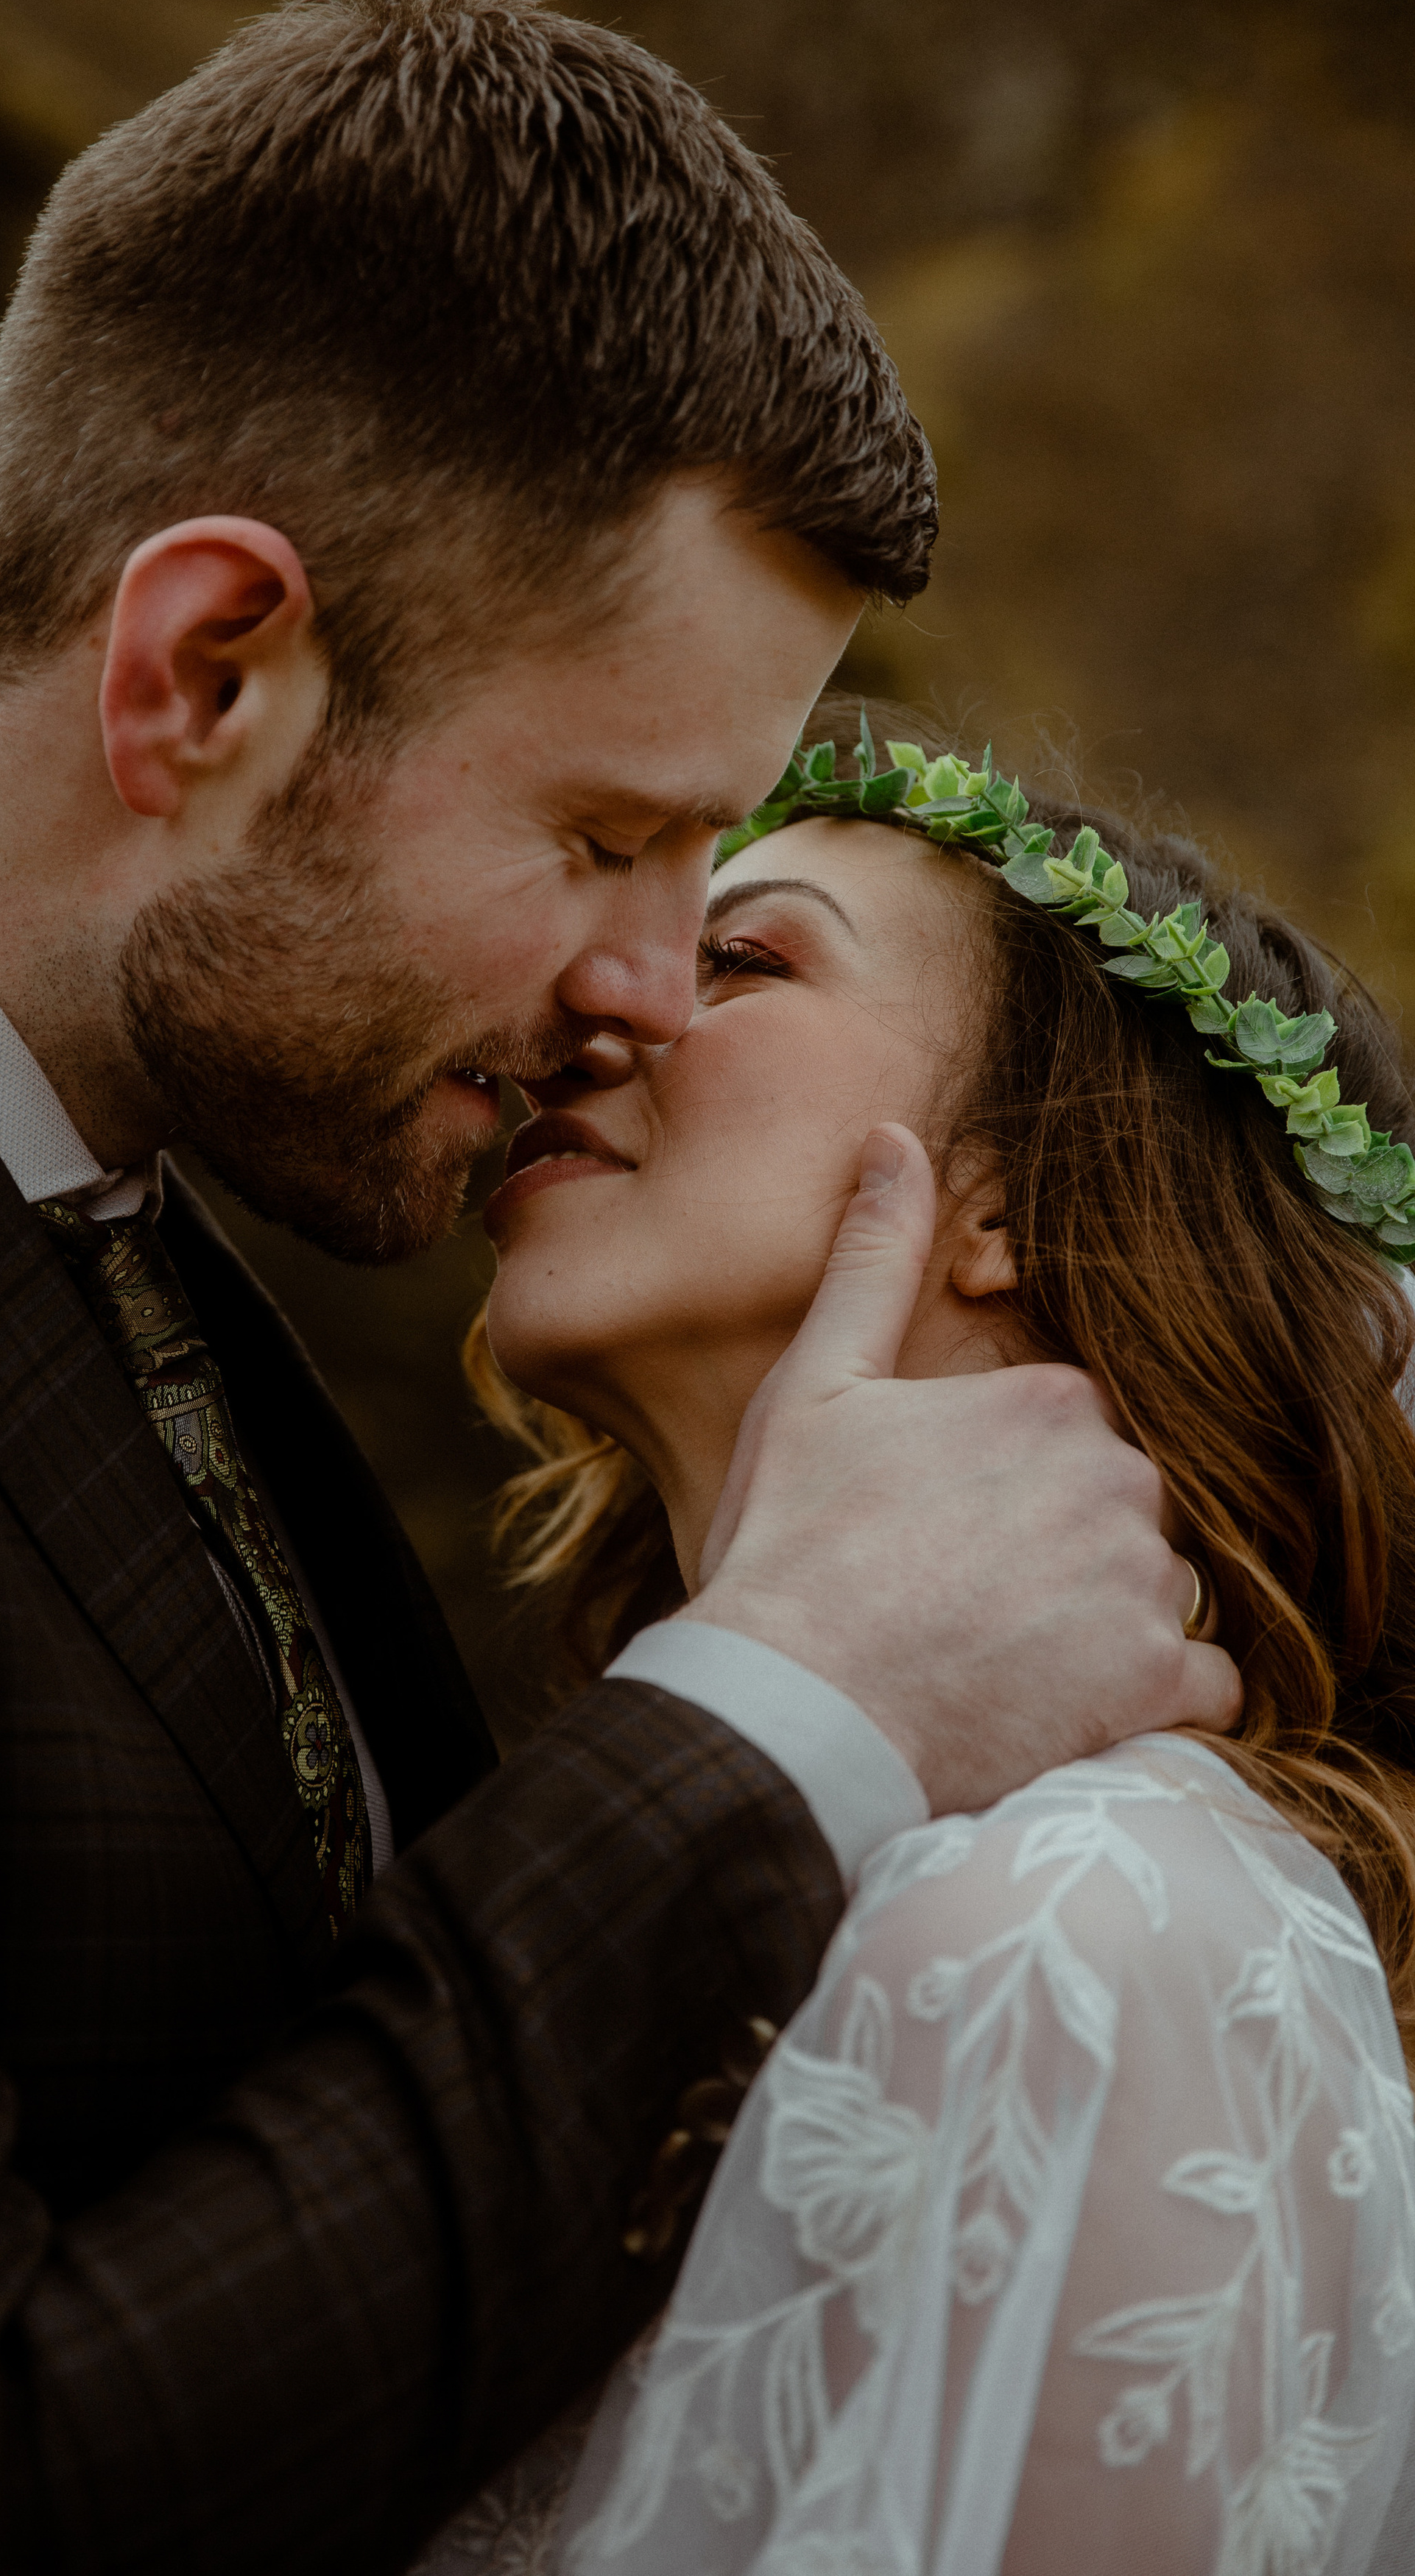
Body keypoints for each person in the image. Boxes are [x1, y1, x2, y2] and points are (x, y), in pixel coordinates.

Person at [0, 0, 1232, 2576]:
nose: (654, 980)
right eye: (602, 835)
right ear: (209, 669)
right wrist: (797, 1718)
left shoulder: (94, 1213)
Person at [427, 707, 1415, 2573]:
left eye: (740, 955)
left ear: (1007, 1202)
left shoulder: (1068, 1927)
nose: (600, 1001)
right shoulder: (741, 1878)